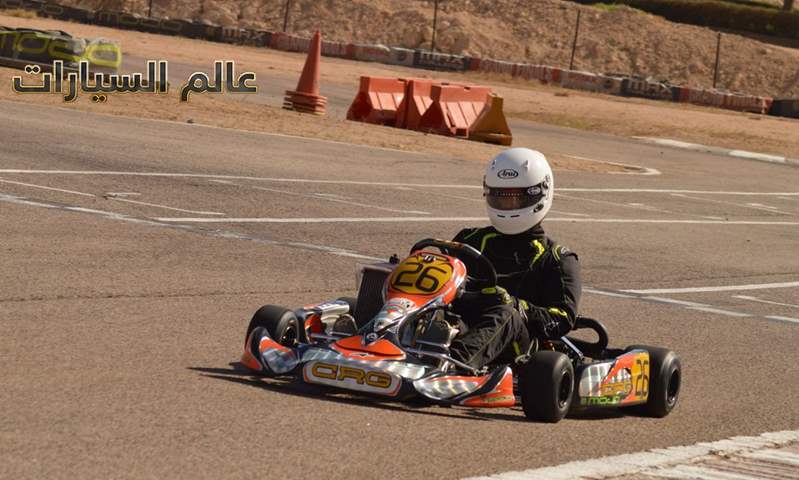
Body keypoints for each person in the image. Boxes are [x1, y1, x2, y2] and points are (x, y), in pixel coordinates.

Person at [446, 147, 582, 370]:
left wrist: (516, 305)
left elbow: (561, 320)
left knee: (506, 313)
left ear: (540, 194)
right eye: (501, 197)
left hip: (518, 349)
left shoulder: (558, 259)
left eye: (517, 198)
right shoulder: (468, 239)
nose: (508, 206)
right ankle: (388, 345)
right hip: (463, 325)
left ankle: (454, 365)